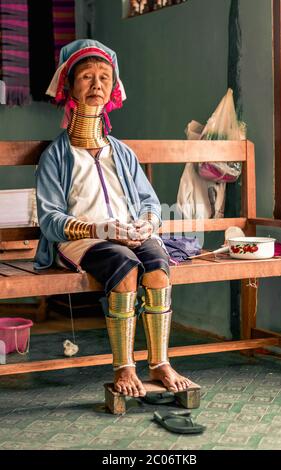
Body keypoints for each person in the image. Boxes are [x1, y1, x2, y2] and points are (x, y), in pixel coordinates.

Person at [34, 39, 192, 398]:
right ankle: (123, 367)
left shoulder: (120, 152)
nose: (97, 85)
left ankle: (160, 363)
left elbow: (150, 202)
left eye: (104, 77)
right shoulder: (57, 155)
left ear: (113, 87)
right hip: (82, 241)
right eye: (87, 77)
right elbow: (49, 220)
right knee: (125, 266)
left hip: (129, 234)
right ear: (70, 87)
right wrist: (100, 228)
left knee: (156, 265)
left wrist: (148, 224)